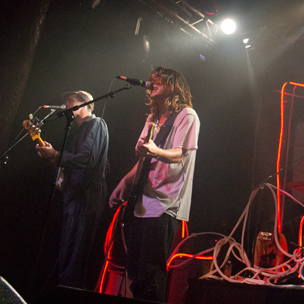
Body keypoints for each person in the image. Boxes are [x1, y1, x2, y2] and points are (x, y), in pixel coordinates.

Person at [109, 66, 200, 302]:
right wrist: (125, 181)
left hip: (164, 202)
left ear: (174, 86)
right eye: (151, 79)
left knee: (151, 273)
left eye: (159, 79)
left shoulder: (187, 116)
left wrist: (156, 150)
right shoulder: (152, 118)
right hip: (142, 200)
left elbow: (179, 154)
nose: (151, 81)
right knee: (136, 273)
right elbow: (143, 158)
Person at [36, 90, 109, 289]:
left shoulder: (95, 124)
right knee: (67, 255)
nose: (65, 103)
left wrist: (57, 154)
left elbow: (88, 160)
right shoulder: (77, 132)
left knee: (75, 257)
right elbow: (72, 166)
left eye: (70, 100)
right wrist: (52, 157)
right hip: (74, 197)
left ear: (84, 103)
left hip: (85, 199)